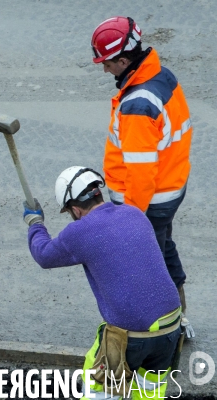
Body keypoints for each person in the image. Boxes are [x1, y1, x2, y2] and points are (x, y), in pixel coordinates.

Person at [23, 166, 182, 400]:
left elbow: (44, 255)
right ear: (99, 193)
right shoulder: (134, 213)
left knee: (97, 392)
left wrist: (35, 222)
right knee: (148, 393)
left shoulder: (81, 231)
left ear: (75, 210)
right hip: (171, 327)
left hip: (131, 335)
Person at [90, 16, 194, 338]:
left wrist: (130, 218)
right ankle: (179, 316)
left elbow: (140, 172)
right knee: (163, 248)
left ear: (123, 60)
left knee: (150, 264)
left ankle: (169, 326)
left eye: (107, 64)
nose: (105, 70)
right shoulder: (161, 76)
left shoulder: (136, 104)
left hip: (148, 200)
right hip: (171, 188)